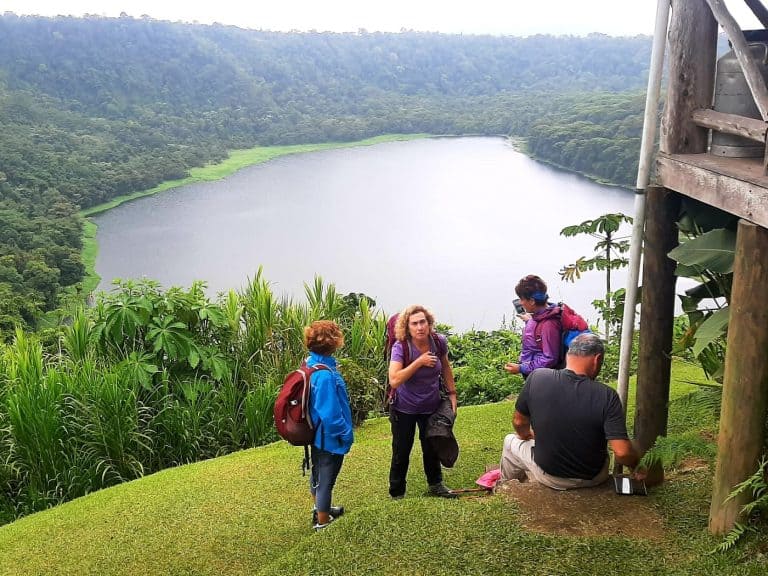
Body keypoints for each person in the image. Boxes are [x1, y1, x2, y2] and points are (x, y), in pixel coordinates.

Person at [499, 333, 641, 490]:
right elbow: (622, 452)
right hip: (595, 477)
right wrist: (637, 466)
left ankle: (506, 489)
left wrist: (528, 436)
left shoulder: (537, 377)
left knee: (510, 441)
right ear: (597, 359)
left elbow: (519, 422)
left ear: (569, 353)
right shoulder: (607, 395)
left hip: (550, 476)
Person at [387, 305, 458, 499]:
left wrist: (452, 394)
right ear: (407, 327)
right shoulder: (401, 347)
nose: (419, 327)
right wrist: (419, 362)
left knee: (431, 446)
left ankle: (436, 484)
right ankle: (397, 492)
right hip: (404, 408)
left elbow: (445, 366)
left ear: (429, 323)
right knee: (402, 450)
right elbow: (394, 380)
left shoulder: (438, 341)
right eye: (414, 324)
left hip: (431, 405)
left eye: (422, 322)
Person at [305, 320, 354, 530]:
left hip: (317, 434)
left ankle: (320, 509)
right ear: (334, 342)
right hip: (328, 437)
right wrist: (346, 433)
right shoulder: (324, 375)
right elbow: (330, 414)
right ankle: (322, 522)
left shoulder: (311, 363)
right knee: (326, 479)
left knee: (318, 474)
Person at [504, 274, 561, 377]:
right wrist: (529, 321)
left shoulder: (549, 325)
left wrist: (521, 368)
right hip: (531, 371)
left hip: (540, 377)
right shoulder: (538, 316)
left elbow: (549, 359)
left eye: (522, 299)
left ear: (532, 301)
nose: (520, 302)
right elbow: (537, 334)